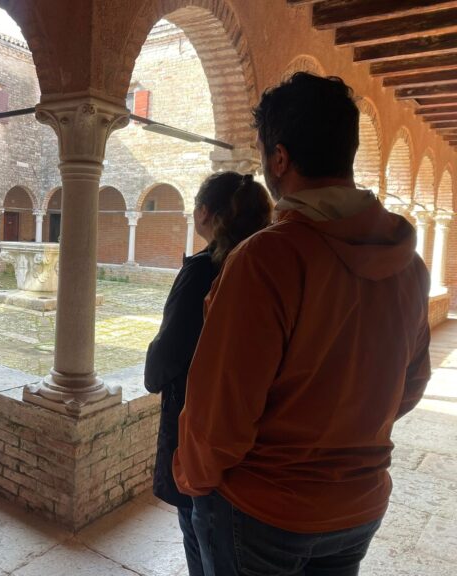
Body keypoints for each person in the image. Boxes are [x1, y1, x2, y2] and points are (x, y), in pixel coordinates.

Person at [173, 72, 431, 575]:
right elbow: (410, 384)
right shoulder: (409, 265)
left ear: (280, 158)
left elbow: (220, 411)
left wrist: (193, 479)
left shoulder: (267, 258)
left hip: (262, 511)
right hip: (357, 504)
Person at [145, 172, 272, 576]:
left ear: (203, 213)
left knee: (202, 536)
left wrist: (152, 373)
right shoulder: (271, 264)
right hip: (260, 442)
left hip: (201, 430)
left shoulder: (203, 270)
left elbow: (168, 352)